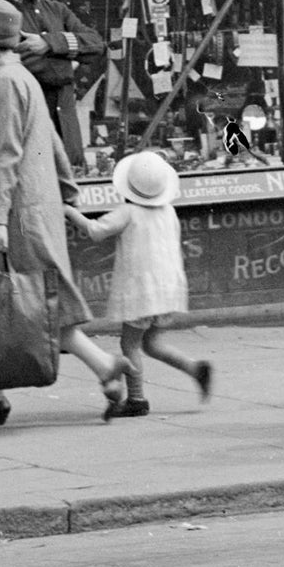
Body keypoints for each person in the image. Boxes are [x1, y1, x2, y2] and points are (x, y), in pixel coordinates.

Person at [0, 0, 130, 426]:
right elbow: (50, 138)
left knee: (20, 299)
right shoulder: (21, 76)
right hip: (34, 205)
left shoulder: (4, 82)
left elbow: (8, 153)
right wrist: (66, 190)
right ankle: (97, 370)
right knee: (34, 301)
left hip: (14, 213)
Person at [62, 150, 213, 418]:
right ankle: (194, 369)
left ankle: (136, 399)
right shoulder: (169, 211)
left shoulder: (128, 212)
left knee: (129, 344)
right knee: (152, 343)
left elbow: (95, 231)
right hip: (166, 289)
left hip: (142, 291)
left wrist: (70, 212)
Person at [0, 0, 105, 170]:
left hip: (66, 125)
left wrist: (48, 43)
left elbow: (96, 44)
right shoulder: (3, 13)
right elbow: (22, 66)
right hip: (30, 124)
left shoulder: (56, 9)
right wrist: (68, 57)